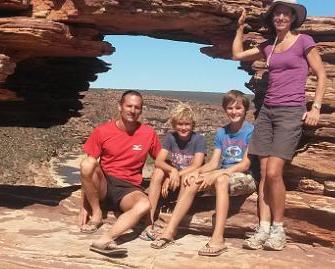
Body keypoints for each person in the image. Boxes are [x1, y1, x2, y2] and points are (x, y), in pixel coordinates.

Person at [232, 0, 327, 251]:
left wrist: (315, 107)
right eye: (277, 13)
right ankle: (262, 228)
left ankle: (278, 229)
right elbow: (237, 54)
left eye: (286, 13)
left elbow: (321, 75)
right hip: (267, 111)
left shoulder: (303, 41)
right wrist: (239, 29)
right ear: (272, 17)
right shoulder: (268, 46)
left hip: (290, 111)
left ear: (293, 17)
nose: (281, 17)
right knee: (262, 173)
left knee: (274, 172)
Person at [151, 90, 255, 256]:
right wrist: (197, 172)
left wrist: (218, 173)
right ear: (225, 109)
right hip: (224, 172)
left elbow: (245, 164)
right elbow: (214, 162)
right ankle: (170, 230)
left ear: (246, 110)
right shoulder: (222, 132)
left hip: (246, 176)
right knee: (189, 179)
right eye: (230, 108)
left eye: (238, 108)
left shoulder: (251, 131)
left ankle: (218, 238)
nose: (234, 112)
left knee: (220, 179)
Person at [79, 90, 162, 257]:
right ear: (120, 107)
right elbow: (87, 170)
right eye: (129, 106)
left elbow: (161, 161)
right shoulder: (102, 131)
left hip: (128, 189)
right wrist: (84, 206)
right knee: (87, 163)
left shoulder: (148, 134)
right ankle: (97, 214)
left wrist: (173, 173)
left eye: (137, 107)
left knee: (144, 204)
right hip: (104, 183)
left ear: (141, 110)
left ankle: (104, 240)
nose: (132, 110)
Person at [144, 103, 207, 239]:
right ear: (174, 124)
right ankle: (148, 221)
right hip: (175, 175)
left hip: (189, 178)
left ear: (192, 125)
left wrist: (175, 174)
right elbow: (159, 161)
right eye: (180, 124)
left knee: (186, 178)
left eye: (187, 124)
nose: (183, 128)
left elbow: (196, 165)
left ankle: (172, 225)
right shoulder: (170, 137)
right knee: (158, 172)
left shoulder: (199, 140)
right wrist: (171, 172)